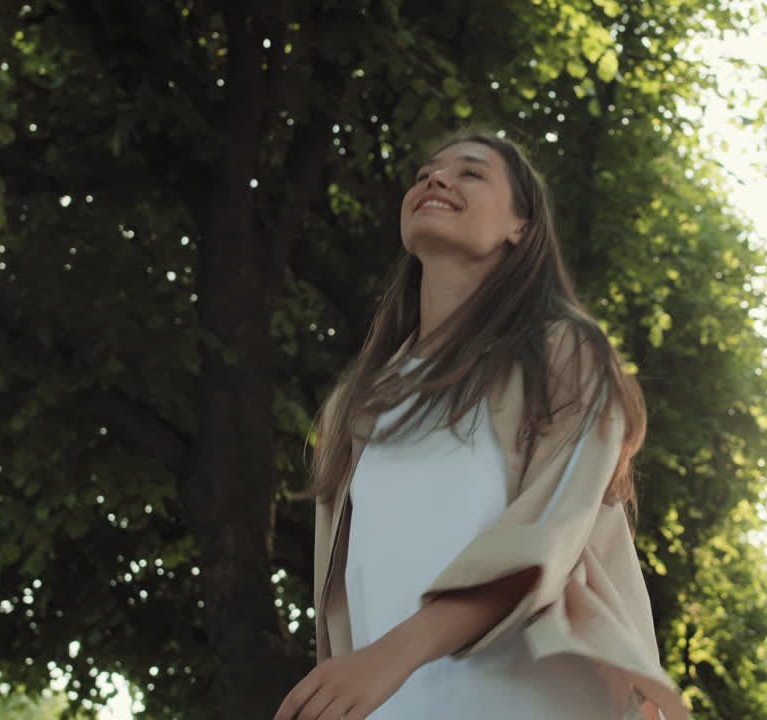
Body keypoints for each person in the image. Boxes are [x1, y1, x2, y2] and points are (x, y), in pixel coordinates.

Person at [274, 130, 687, 720]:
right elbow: (347, 599)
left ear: (520, 226)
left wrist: (392, 655)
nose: (434, 180)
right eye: (424, 173)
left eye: (469, 172)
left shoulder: (564, 354)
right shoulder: (354, 405)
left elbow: (546, 536)